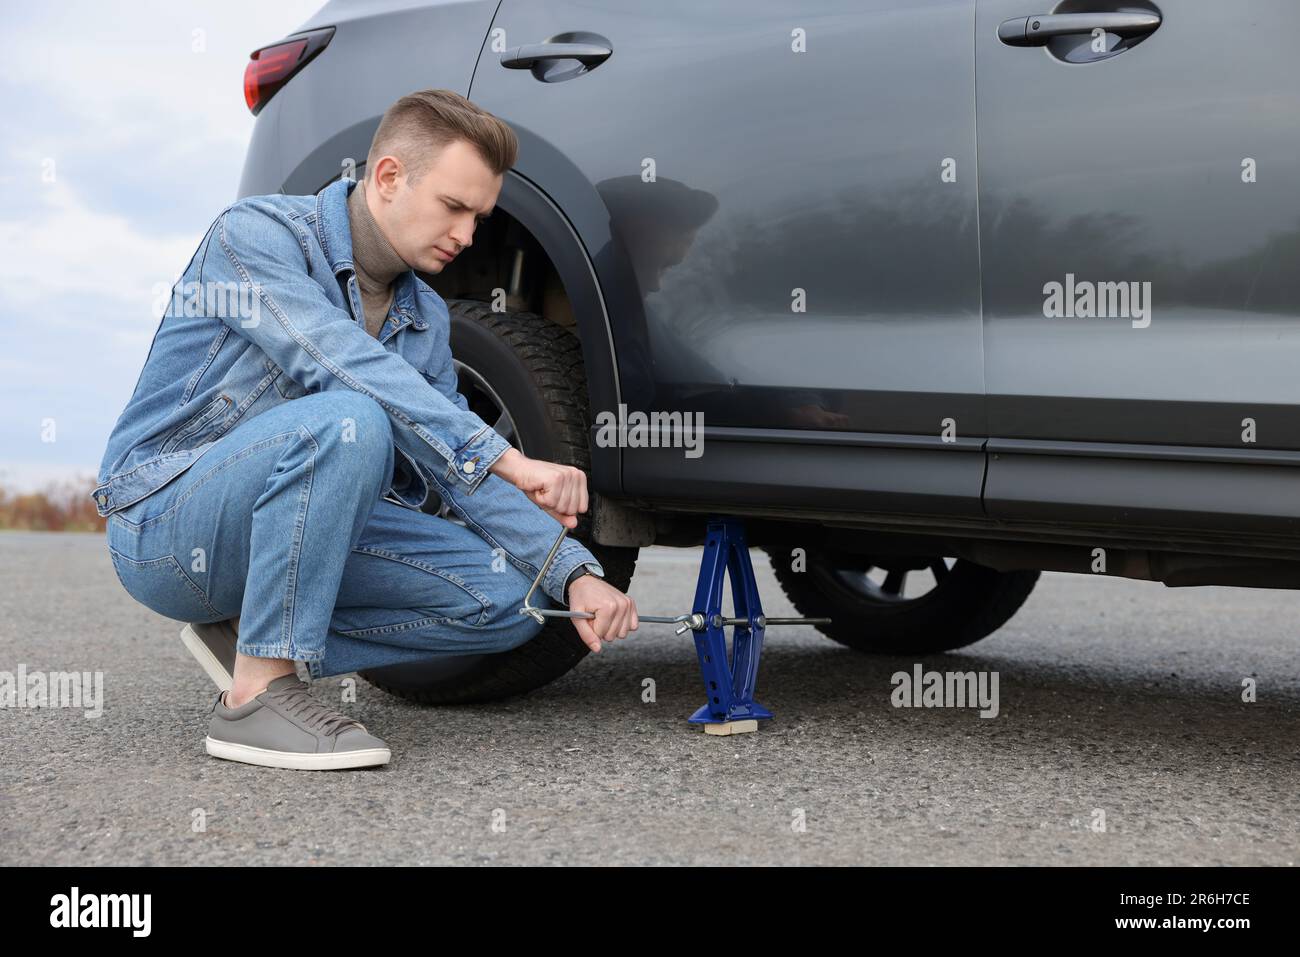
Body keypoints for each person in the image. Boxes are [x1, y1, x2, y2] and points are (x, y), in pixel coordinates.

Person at [91, 89, 639, 771]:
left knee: (510, 599)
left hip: (287, 535)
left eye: (480, 216)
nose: (468, 234)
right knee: (351, 420)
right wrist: (503, 456)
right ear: (387, 177)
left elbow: (448, 471)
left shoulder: (425, 319)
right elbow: (335, 360)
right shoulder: (253, 237)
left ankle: (250, 635)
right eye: (454, 206)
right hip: (166, 525)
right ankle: (256, 697)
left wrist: (572, 572)